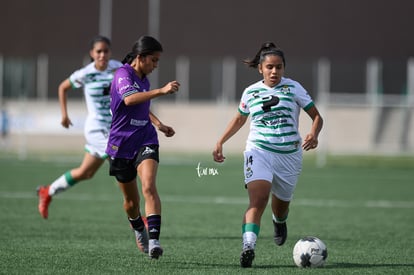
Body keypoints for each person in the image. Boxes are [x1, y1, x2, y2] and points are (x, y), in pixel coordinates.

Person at [212, 42, 323, 268]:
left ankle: (279, 221)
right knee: (258, 199)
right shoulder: (251, 91)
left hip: (289, 155)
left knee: (280, 207)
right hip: (258, 151)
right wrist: (221, 140)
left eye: (279, 67)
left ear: (284, 68)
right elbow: (240, 118)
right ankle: (248, 246)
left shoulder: (293, 88)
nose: (275, 71)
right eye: (270, 67)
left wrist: (313, 133)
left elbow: (317, 116)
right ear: (260, 68)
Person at [106, 35, 179, 259]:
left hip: (145, 139)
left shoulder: (143, 78)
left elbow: (141, 106)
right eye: (154, 60)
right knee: (131, 203)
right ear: (140, 57)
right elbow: (129, 100)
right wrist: (162, 91)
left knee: (148, 187)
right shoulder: (122, 74)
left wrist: (158, 125)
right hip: (120, 145)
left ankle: (155, 240)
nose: (156, 65)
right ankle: (139, 229)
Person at [36, 35, 123, 219]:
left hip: (114, 128)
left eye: (105, 51)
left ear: (110, 52)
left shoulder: (118, 68)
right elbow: (62, 87)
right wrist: (64, 115)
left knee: (86, 172)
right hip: (96, 129)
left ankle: (47, 191)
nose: (102, 55)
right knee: (120, 163)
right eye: (98, 51)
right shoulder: (85, 74)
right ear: (92, 53)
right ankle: (138, 216)